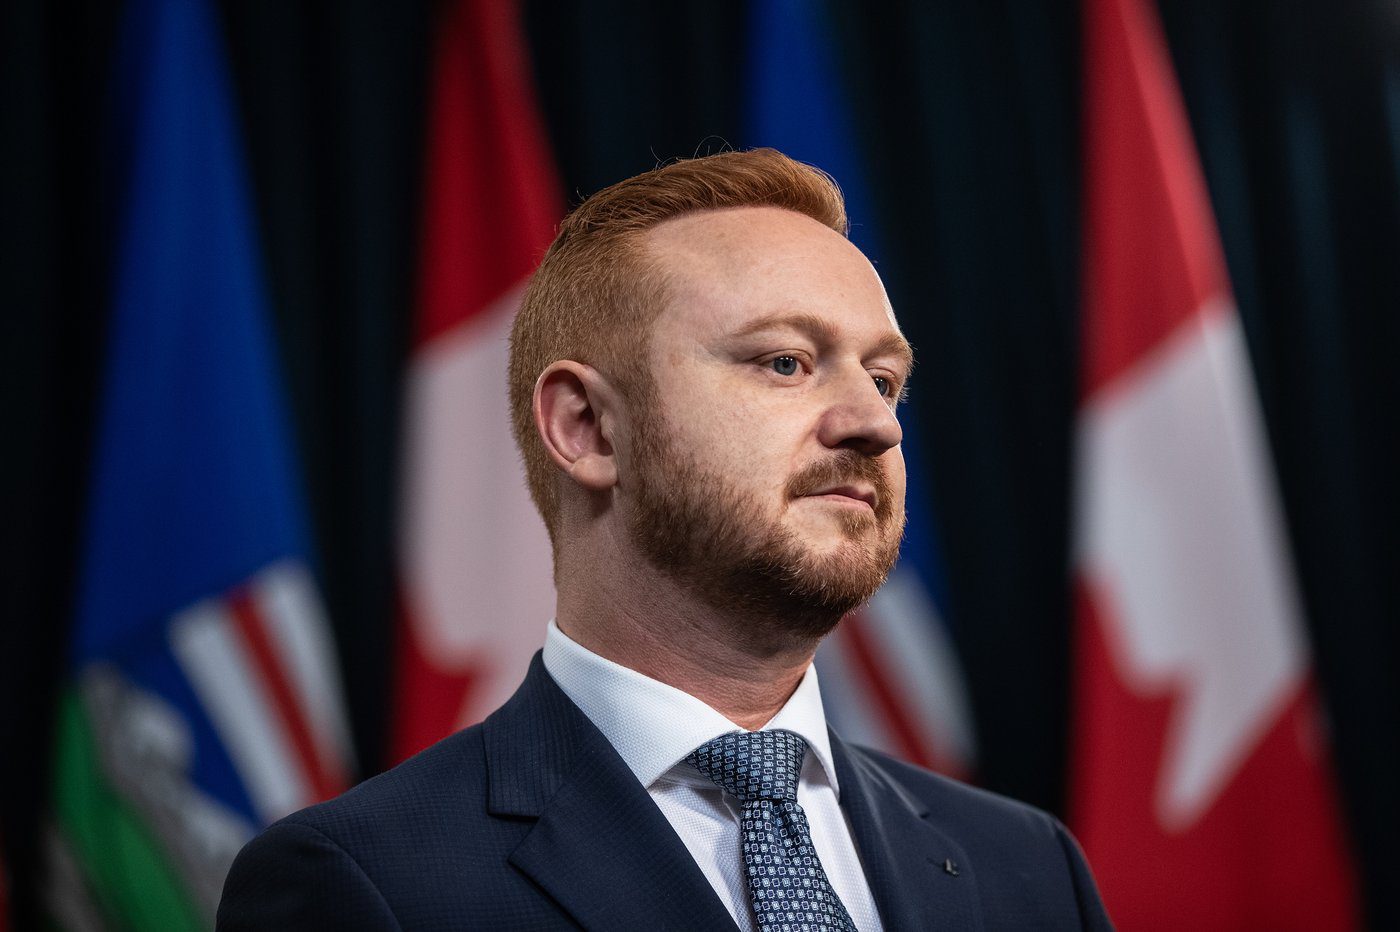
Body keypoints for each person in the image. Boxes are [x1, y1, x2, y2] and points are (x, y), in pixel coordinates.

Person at [217, 148, 1112, 930]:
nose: (874, 424)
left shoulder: (1029, 867)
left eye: (884, 380)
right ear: (587, 428)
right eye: (785, 362)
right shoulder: (368, 884)